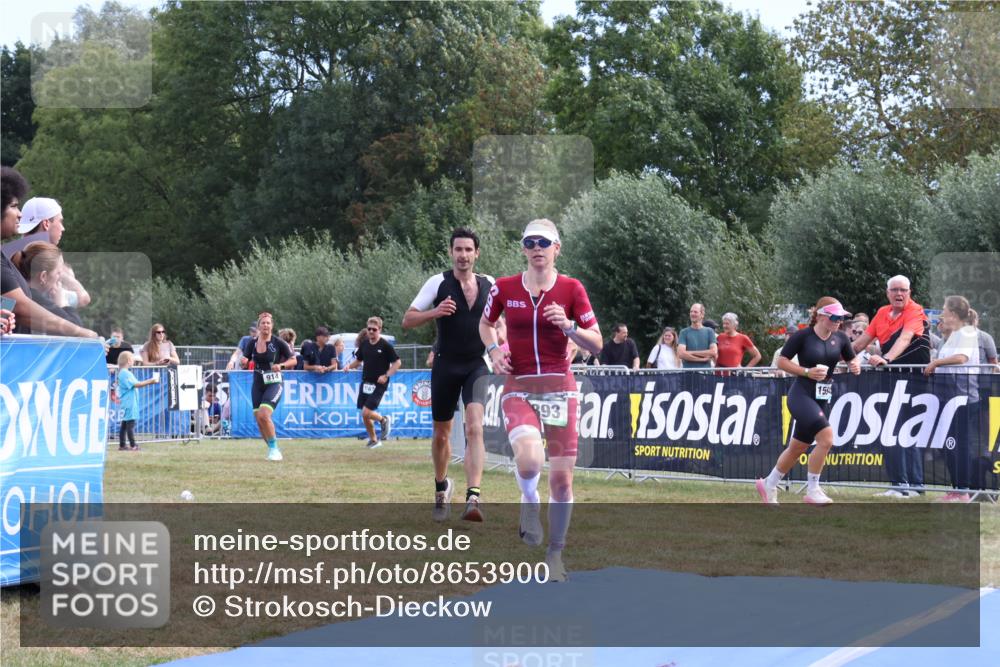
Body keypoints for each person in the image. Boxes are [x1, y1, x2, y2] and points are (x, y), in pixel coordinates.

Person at [480, 218, 603, 582]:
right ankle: (529, 499)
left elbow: (595, 342)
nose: (537, 248)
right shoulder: (503, 288)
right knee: (531, 461)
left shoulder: (571, 289)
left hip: (560, 389)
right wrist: (493, 351)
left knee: (563, 481)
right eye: (531, 242)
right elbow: (486, 324)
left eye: (544, 243)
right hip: (519, 386)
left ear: (556, 248)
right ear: (523, 248)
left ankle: (555, 554)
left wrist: (568, 326)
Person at [402, 228, 495, 521]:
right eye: (458, 250)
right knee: (442, 435)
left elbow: (498, 323)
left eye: (468, 250)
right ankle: (442, 487)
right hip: (445, 364)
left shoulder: (490, 284)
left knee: (474, 428)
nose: (463, 255)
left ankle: (473, 498)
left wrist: (500, 350)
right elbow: (407, 319)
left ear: (477, 253)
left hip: (476, 364)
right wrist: (436, 312)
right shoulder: (438, 283)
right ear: (451, 252)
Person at [756, 298, 860, 505]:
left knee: (797, 448)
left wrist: (855, 365)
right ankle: (813, 489)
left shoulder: (840, 338)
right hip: (801, 395)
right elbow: (782, 361)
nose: (839, 321)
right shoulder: (803, 336)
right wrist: (806, 371)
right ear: (821, 316)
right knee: (827, 438)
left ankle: (769, 483)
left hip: (821, 397)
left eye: (841, 317)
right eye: (834, 317)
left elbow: (852, 358)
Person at [852, 275, 930, 496]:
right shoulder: (882, 312)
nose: (899, 294)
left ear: (909, 292)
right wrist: (839, 359)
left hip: (913, 379)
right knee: (891, 430)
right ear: (887, 293)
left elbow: (904, 339)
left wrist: (887, 359)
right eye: (894, 290)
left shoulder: (915, 310)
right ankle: (902, 485)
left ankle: (911, 486)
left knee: (905, 431)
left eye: (903, 290)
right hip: (891, 379)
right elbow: (859, 343)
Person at [1, 167, 96, 338]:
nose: (19, 214)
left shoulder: (7, 255)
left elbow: (10, 304)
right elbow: (21, 307)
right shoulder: (22, 261)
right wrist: (80, 331)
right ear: (46, 224)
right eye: (14, 206)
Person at [924, 296, 981, 502]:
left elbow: (961, 358)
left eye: (945, 310)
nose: (942, 313)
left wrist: (936, 363)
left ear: (954, 315)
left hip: (963, 397)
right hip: (948, 397)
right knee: (948, 444)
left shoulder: (966, 332)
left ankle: (962, 490)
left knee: (959, 444)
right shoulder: (954, 335)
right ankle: (956, 489)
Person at [241, 311, 297, 461]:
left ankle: (274, 449)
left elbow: (294, 360)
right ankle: (273, 449)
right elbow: (245, 357)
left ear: (272, 325)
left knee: (264, 414)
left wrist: (282, 365)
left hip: (274, 382)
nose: (265, 325)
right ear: (259, 326)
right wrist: (243, 361)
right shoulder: (251, 342)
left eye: (268, 323)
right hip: (258, 383)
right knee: (259, 419)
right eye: (263, 323)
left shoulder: (279, 342)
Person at [344, 316, 401, 449]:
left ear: (379, 329)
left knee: (366, 412)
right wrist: (348, 366)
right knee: (365, 415)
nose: (371, 332)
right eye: (369, 329)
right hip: (366, 382)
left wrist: (386, 375)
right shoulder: (364, 344)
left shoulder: (385, 345)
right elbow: (358, 361)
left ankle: (383, 420)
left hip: (379, 383)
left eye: (374, 329)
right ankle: (374, 440)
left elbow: (397, 362)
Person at [17, 242, 82, 327]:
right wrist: (62, 303)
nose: (60, 277)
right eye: (58, 273)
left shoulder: (15, 288)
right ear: (43, 276)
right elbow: (77, 328)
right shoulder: (36, 299)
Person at [115, 350, 160, 451]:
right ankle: (133, 445)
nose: (134, 361)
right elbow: (137, 384)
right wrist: (151, 381)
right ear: (128, 361)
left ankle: (122, 445)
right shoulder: (125, 373)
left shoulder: (122, 373)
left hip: (127, 402)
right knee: (130, 426)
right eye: (132, 359)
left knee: (124, 425)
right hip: (130, 403)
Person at [677, 303, 717, 369]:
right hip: (688, 373)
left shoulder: (709, 331)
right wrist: (701, 359)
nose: (692, 314)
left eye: (695, 312)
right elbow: (681, 354)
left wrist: (690, 353)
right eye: (691, 311)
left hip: (706, 374)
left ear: (702, 315)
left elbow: (713, 352)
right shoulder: (684, 332)